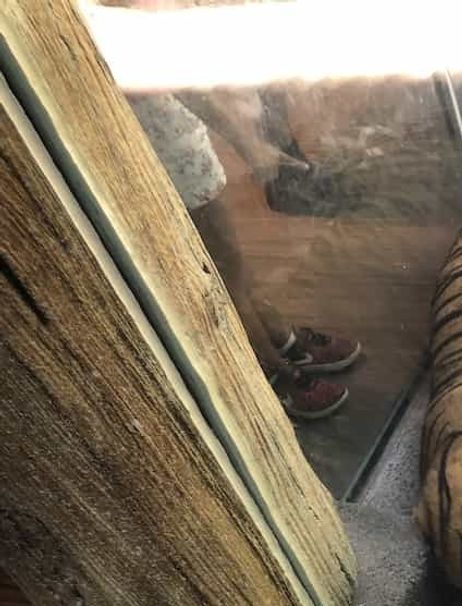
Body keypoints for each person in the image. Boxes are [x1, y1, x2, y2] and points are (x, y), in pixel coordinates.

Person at [127, 90, 360, 421]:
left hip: (176, 142)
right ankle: (267, 368)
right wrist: (248, 145)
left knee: (229, 262)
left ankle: (279, 338)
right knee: (221, 273)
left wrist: (247, 143)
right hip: (160, 152)